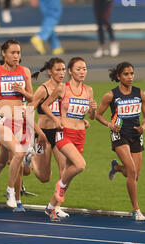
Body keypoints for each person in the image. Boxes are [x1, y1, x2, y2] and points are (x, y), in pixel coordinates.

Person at [0, 39, 47, 213]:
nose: (16, 56)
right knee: (20, 153)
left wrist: (22, 92)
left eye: (18, 53)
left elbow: (32, 99)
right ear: (4, 54)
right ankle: (11, 191)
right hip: (1, 120)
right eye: (12, 52)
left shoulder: (25, 72)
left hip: (18, 121)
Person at [40, 57, 97, 221]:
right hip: (64, 133)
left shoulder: (89, 90)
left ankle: (51, 207)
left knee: (68, 173)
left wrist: (92, 110)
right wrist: (56, 119)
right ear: (71, 71)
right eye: (78, 69)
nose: (82, 72)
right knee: (80, 165)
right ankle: (60, 187)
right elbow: (44, 106)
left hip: (80, 134)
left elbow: (91, 117)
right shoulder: (62, 89)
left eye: (84, 69)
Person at [95, 62, 145, 221]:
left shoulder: (141, 93)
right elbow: (98, 115)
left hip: (135, 134)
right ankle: (136, 210)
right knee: (131, 171)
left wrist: (144, 127)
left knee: (135, 175)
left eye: (132, 73)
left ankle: (117, 168)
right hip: (119, 135)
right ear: (118, 76)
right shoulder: (111, 95)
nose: (130, 77)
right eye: (126, 74)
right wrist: (110, 125)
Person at [29, 57, 70, 219]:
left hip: (59, 134)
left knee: (65, 171)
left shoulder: (65, 89)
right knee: (44, 177)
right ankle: (30, 157)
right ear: (50, 71)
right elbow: (27, 112)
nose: (62, 73)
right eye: (58, 69)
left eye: (63, 69)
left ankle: (57, 206)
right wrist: (39, 132)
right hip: (42, 135)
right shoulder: (43, 90)